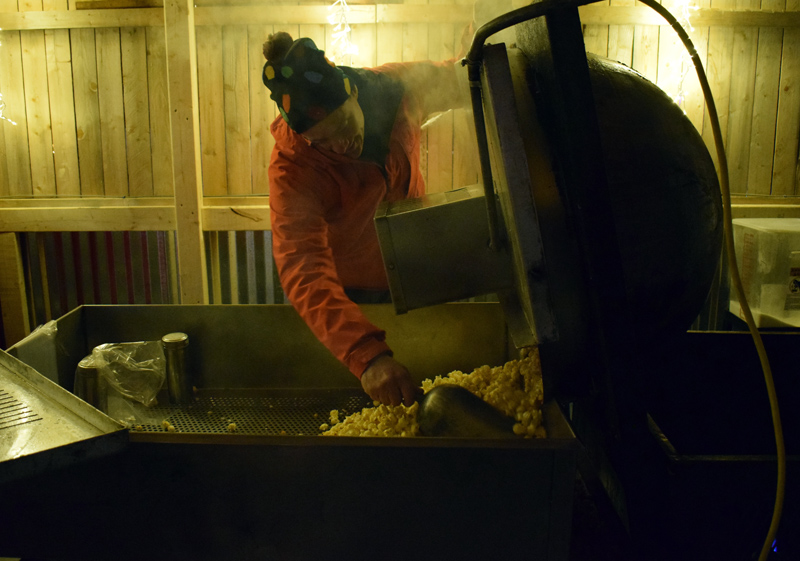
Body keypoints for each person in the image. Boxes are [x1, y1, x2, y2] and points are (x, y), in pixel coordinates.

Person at [262, 31, 467, 407]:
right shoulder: (294, 168)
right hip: (348, 300)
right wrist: (365, 356)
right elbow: (301, 265)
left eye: (342, 126)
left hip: (410, 276)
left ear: (352, 91)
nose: (341, 145)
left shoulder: (397, 90)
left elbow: (459, 81)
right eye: (324, 143)